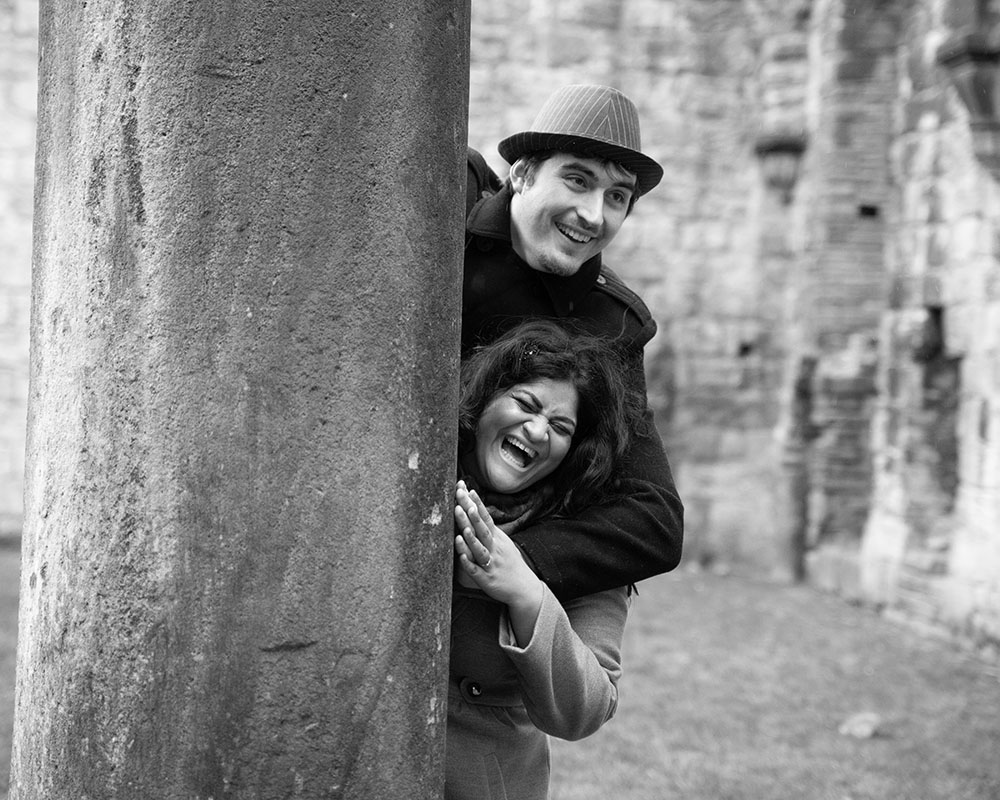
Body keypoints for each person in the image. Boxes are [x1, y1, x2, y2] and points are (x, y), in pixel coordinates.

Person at [462, 84, 684, 601]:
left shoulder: (613, 326)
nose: (593, 214)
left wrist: (508, 557)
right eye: (577, 180)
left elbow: (653, 520)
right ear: (521, 174)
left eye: (617, 197)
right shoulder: (445, 213)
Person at [446, 320, 642, 800]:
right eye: (525, 404)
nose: (536, 431)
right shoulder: (413, 472)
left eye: (560, 427)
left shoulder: (584, 536)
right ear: (483, 397)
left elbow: (587, 711)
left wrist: (524, 590)